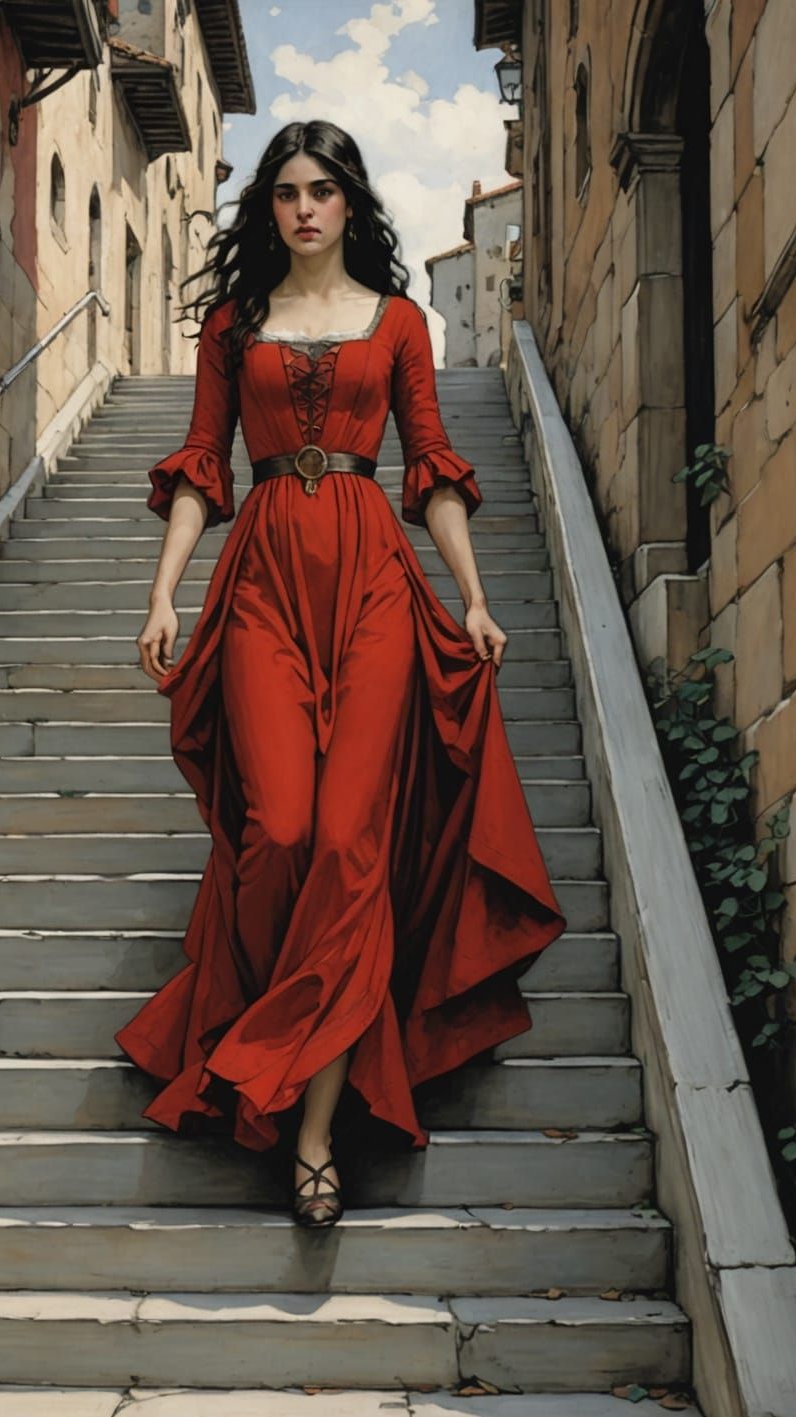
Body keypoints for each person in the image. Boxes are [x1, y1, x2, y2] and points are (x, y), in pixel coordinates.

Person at [114, 121, 568, 1229]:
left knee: (354, 839)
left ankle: (309, 1127)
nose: (304, 209)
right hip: (264, 576)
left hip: (373, 582)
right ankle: (276, 1041)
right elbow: (200, 464)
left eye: (322, 191)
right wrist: (166, 590)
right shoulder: (234, 325)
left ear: (351, 203)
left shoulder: (401, 322)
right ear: (267, 209)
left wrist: (471, 594)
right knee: (282, 830)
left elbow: (431, 466)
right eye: (285, 193)